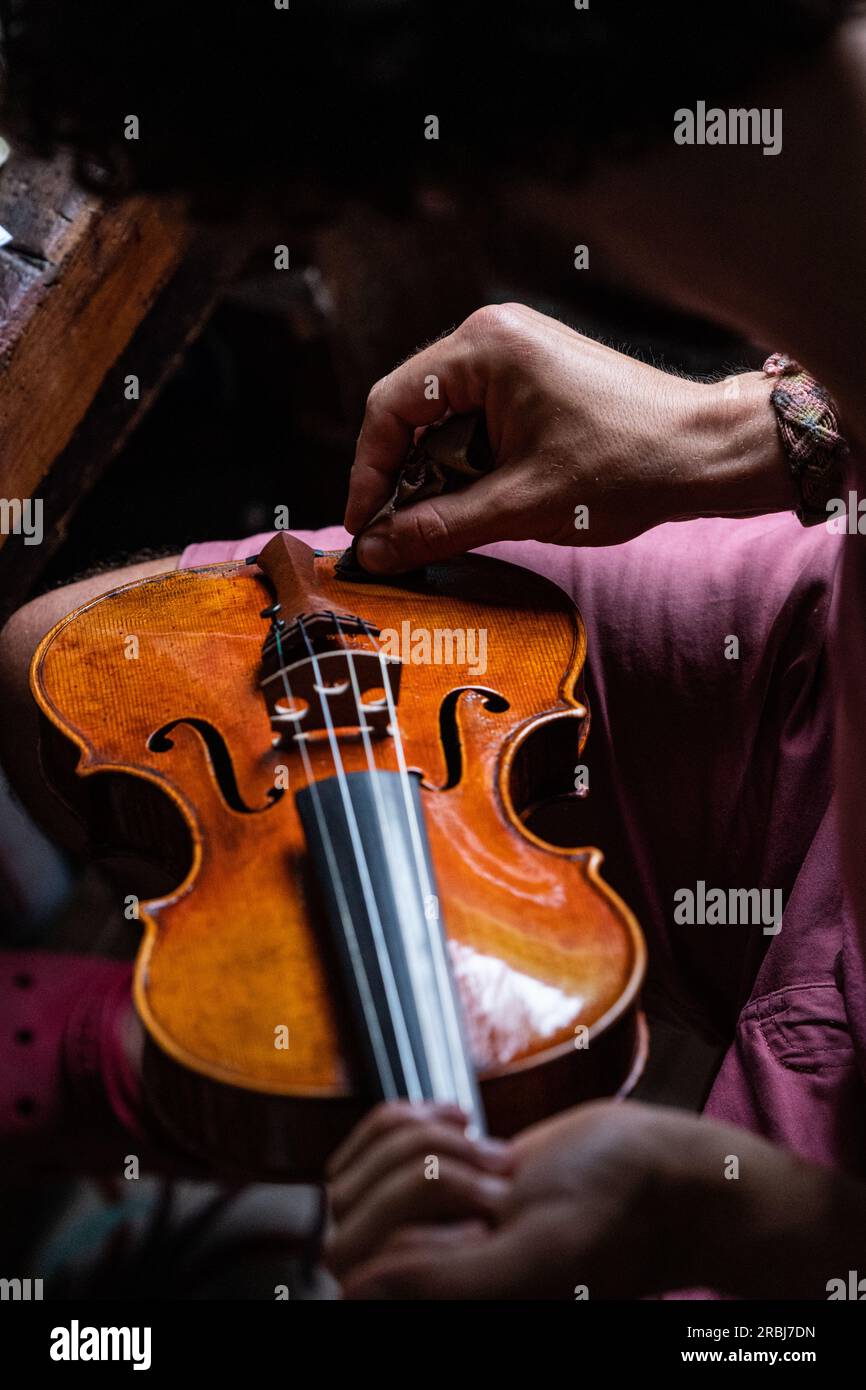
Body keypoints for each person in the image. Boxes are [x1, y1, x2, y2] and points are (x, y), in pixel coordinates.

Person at [2, 0, 866, 1297]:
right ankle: (213, 1068)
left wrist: (752, 1225)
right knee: (84, 668)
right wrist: (751, 433)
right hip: (822, 639)